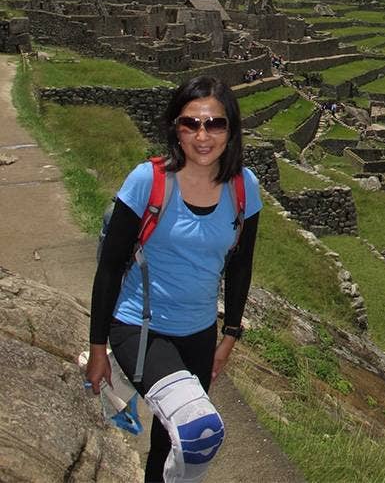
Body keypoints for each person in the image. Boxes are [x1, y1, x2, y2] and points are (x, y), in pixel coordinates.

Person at [86, 76, 263, 483]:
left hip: (199, 333)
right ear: (175, 128)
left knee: (168, 441)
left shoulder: (243, 187)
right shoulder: (147, 181)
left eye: (215, 124)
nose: (203, 135)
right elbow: (110, 267)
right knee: (198, 432)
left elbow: (240, 265)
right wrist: (98, 348)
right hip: (139, 327)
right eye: (191, 124)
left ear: (231, 130)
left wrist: (230, 335)